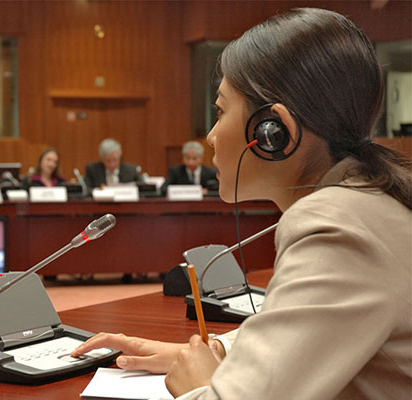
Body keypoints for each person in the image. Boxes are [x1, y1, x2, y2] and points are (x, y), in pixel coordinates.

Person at [72, 8, 411, 399]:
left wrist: (198, 385)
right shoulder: (371, 198)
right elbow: (316, 329)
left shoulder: (335, 226)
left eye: (220, 111)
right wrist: (217, 351)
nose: (211, 136)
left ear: (273, 132)